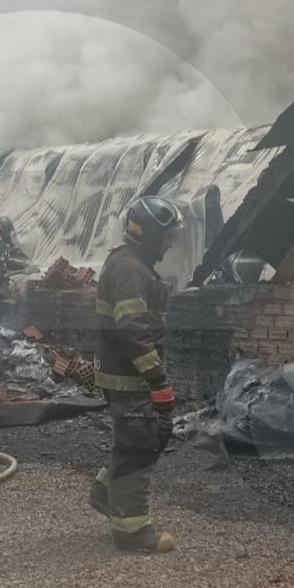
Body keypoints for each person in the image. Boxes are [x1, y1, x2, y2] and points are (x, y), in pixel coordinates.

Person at [88, 195, 184, 554]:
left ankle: (105, 494)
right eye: (167, 236)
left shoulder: (129, 262)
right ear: (150, 235)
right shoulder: (130, 269)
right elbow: (132, 330)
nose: (170, 244)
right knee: (140, 445)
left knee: (134, 441)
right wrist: (158, 378)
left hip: (121, 374)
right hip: (130, 377)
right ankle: (133, 531)